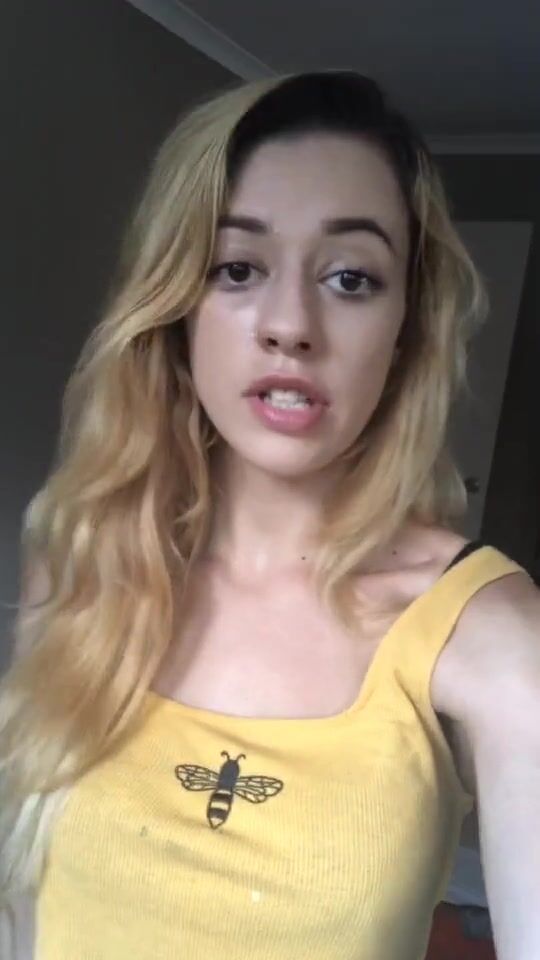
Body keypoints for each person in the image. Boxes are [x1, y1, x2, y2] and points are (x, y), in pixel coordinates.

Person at [0, 70, 538, 960]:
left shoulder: (487, 633)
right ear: (176, 305)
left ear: (406, 328)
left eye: (351, 278)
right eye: (238, 269)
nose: (290, 324)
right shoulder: (79, 556)